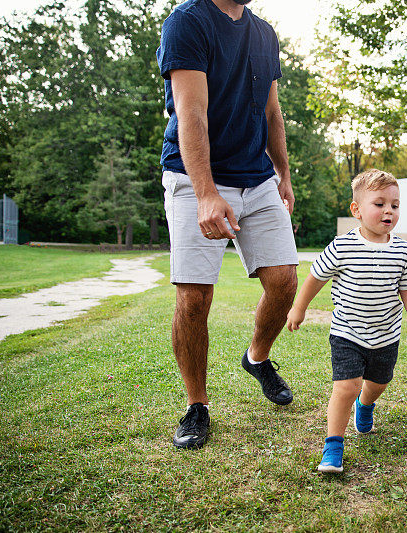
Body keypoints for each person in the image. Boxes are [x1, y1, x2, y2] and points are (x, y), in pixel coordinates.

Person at [156, 0, 299, 450]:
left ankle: (257, 358)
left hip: (257, 178)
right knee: (195, 296)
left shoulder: (264, 34)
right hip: (194, 174)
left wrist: (284, 175)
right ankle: (197, 405)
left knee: (284, 281)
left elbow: (272, 113)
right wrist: (205, 193)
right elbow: (190, 112)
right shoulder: (187, 23)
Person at [286, 169, 407, 473]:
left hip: (386, 335)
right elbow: (314, 278)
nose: (388, 210)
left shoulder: (403, 250)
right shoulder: (342, 246)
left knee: (379, 382)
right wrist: (299, 308)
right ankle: (333, 446)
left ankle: (366, 406)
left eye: (394, 204)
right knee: (346, 386)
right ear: (357, 210)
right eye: (379, 204)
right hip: (347, 333)